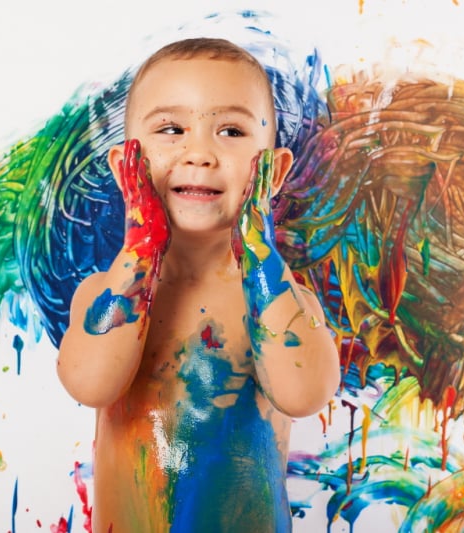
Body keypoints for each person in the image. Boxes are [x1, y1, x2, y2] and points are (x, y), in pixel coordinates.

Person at [56, 37, 341, 533]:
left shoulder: (283, 307)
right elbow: (90, 383)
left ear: (272, 172)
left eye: (230, 130)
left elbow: (304, 395)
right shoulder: (103, 294)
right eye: (171, 129)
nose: (200, 153)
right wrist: (141, 248)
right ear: (127, 165)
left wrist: (259, 254)